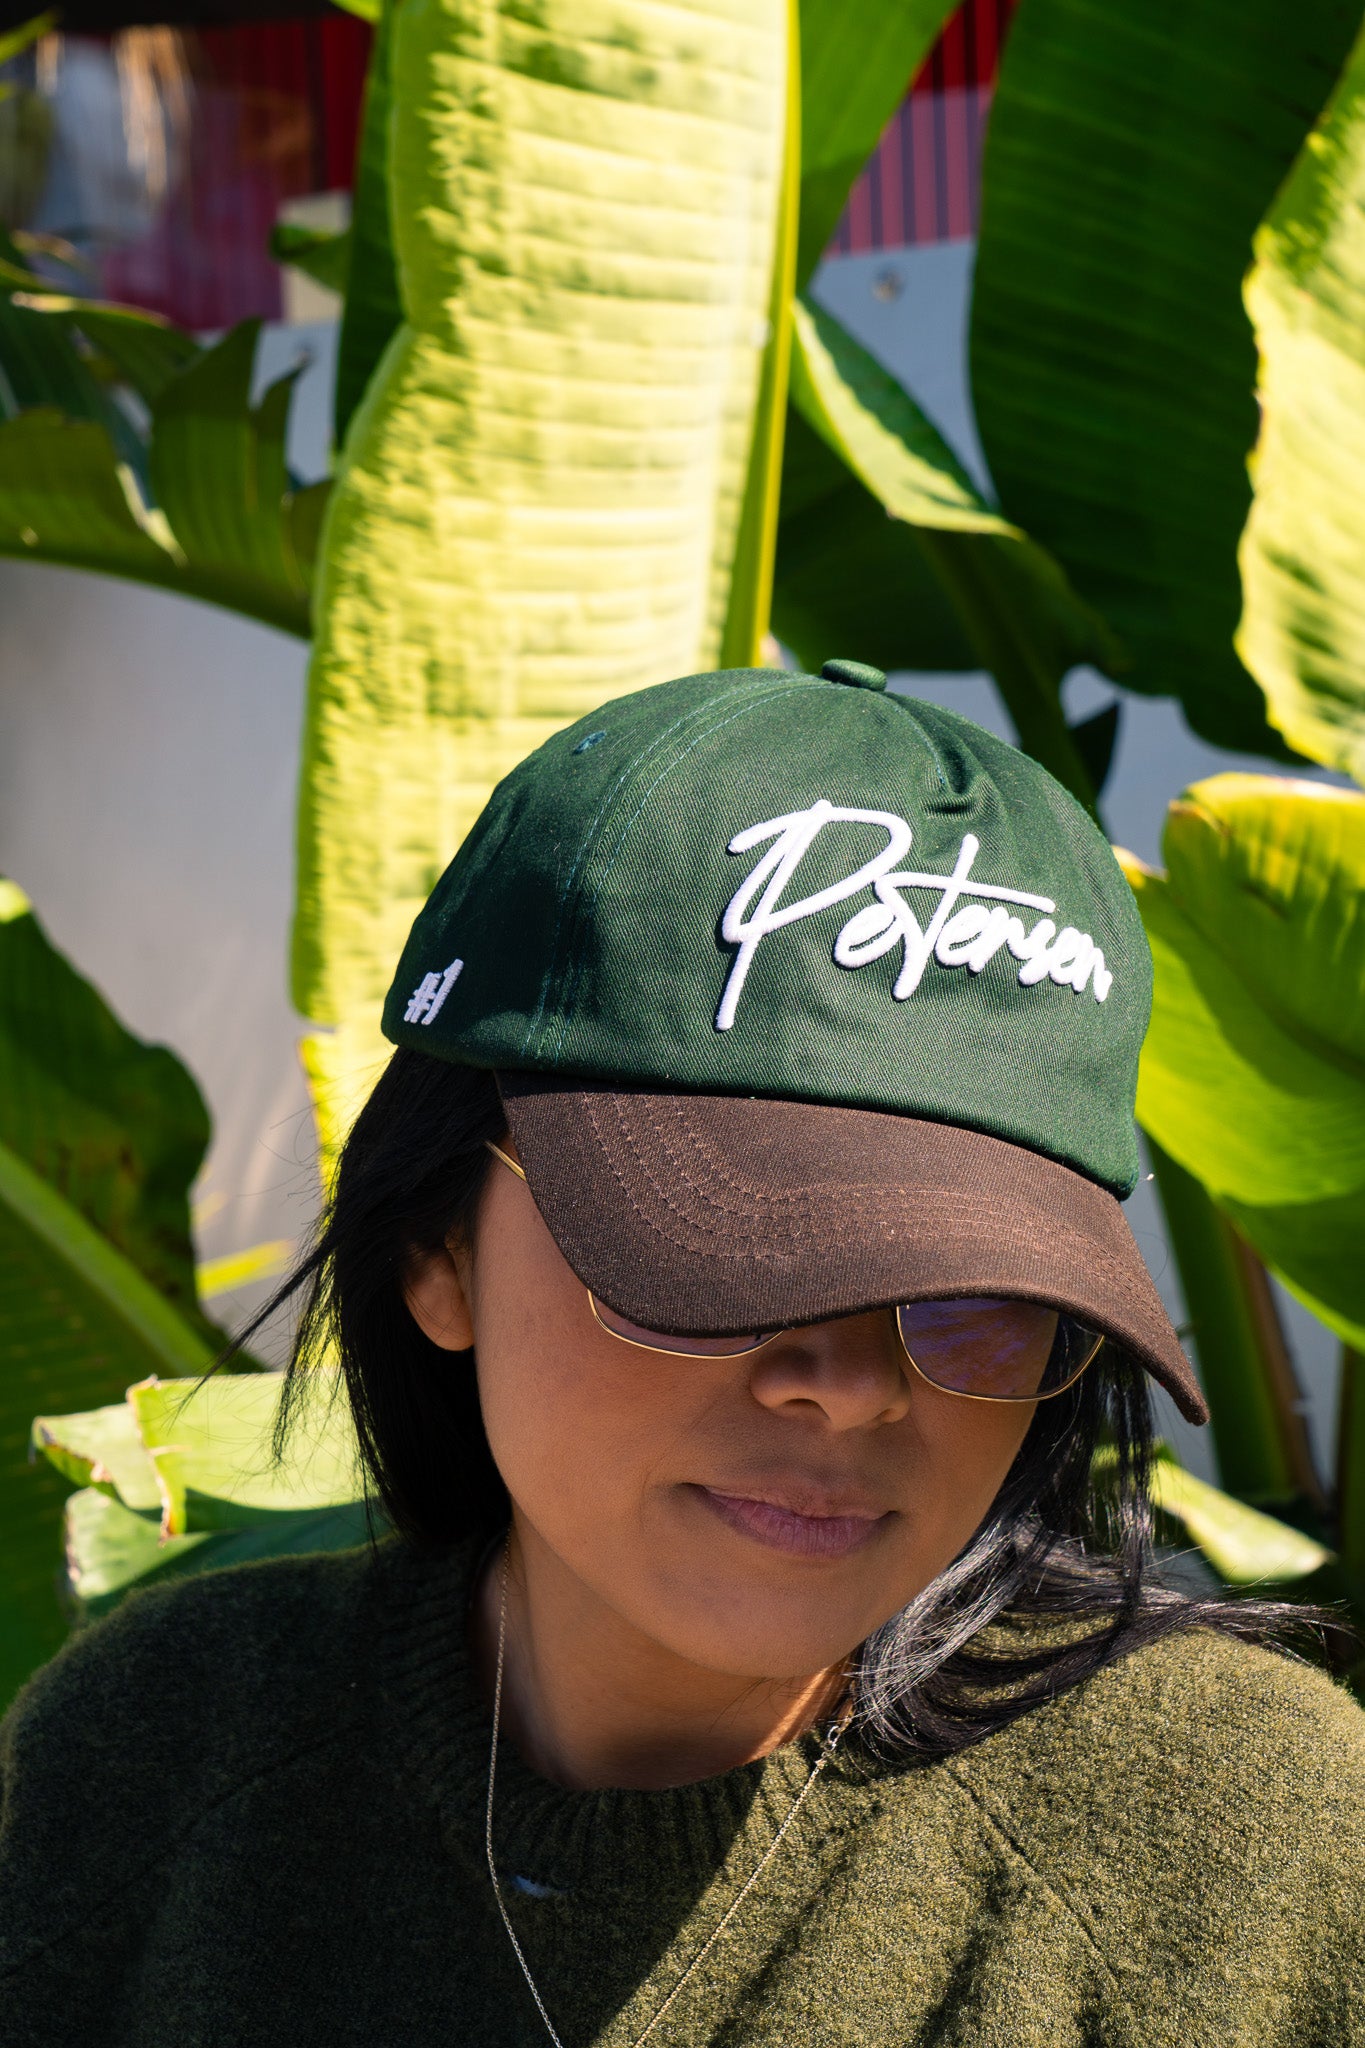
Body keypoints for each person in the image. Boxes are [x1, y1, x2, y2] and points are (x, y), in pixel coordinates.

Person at [2, 659, 1363, 2047]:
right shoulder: (150, 1764)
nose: (844, 1385)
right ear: (437, 1252)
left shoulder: (1248, 1861)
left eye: (970, 1294)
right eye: (712, 1262)